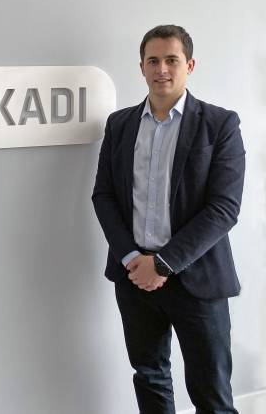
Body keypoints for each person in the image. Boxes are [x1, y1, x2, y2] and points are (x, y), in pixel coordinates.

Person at [92, 25, 245, 413]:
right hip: (134, 278)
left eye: (172, 60)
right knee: (150, 377)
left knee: (211, 394)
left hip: (196, 278)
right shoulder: (120, 124)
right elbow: (104, 196)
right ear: (141, 67)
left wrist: (162, 263)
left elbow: (223, 209)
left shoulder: (219, 124)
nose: (162, 69)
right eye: (153, 60)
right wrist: (133, 259)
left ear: (189, 65)